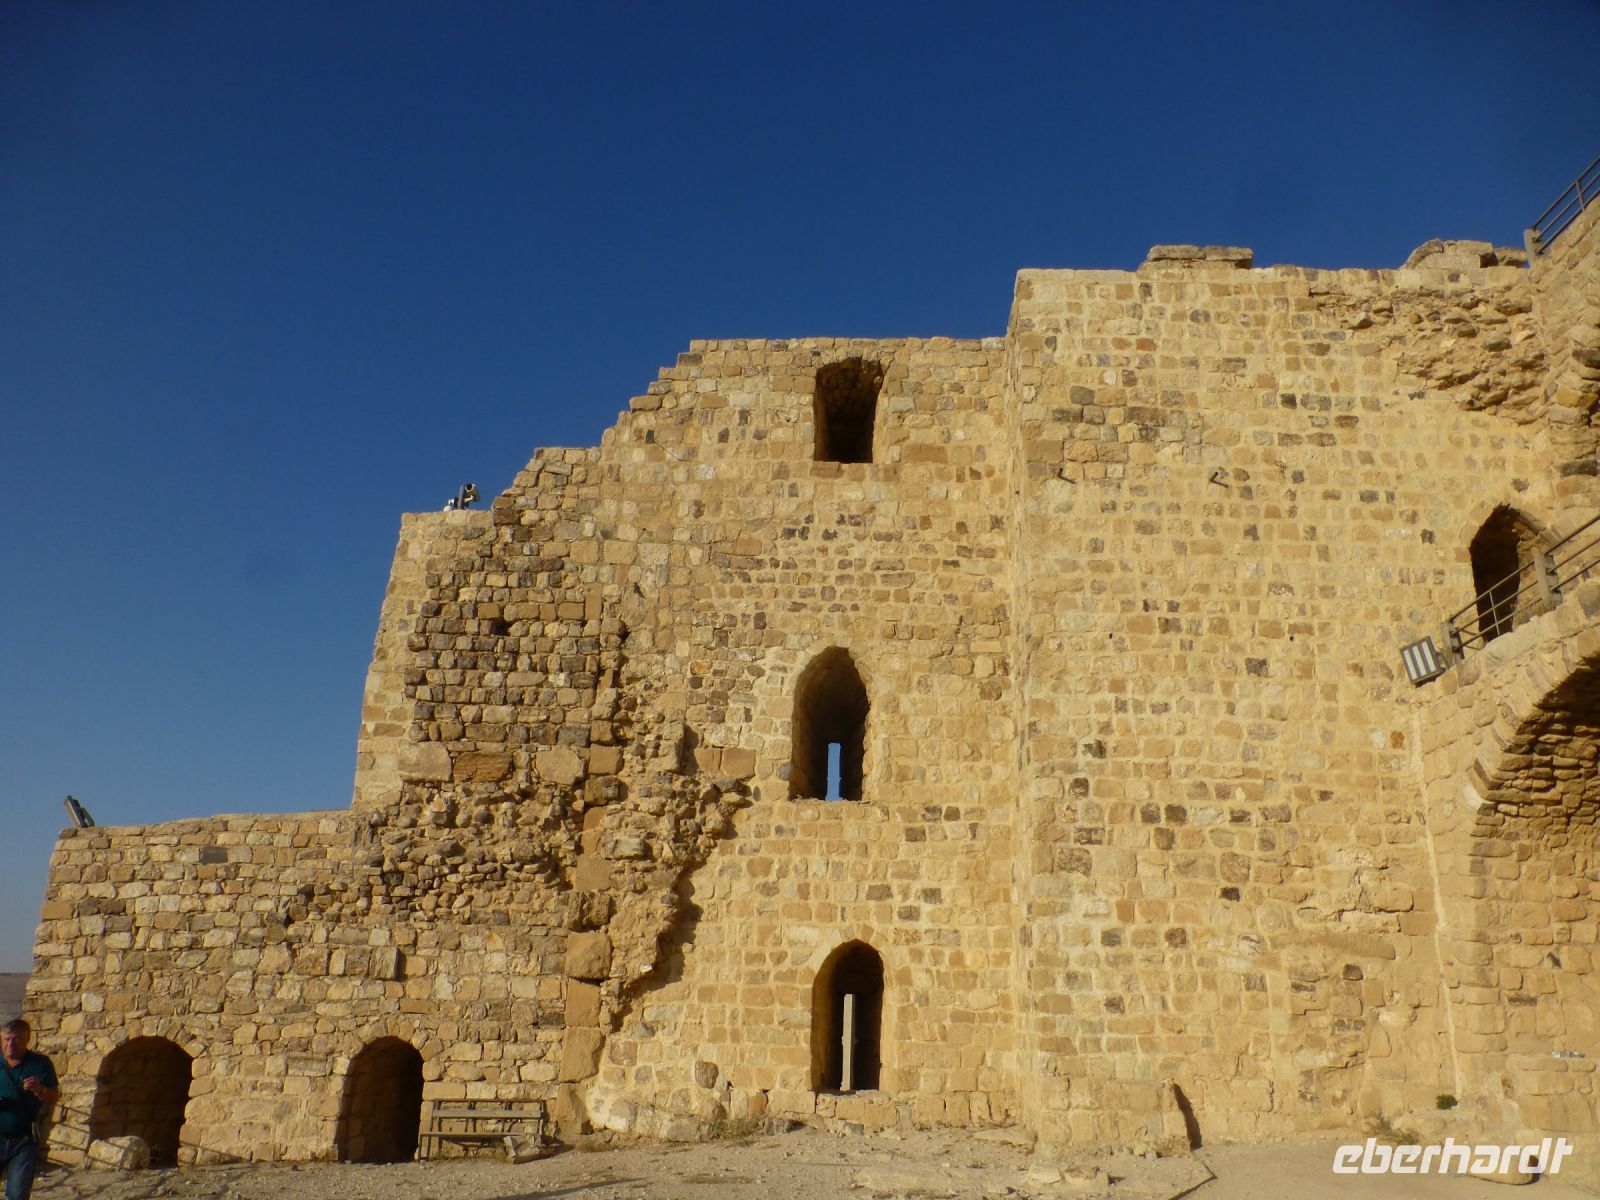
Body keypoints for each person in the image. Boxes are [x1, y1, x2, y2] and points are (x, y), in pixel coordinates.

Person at [0, 1020, 58, 1200]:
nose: (10, 1044)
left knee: (18, 1194)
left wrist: (40, 1090)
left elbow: (54, 1096)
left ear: (27, 1039)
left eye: (16, 1039)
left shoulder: (39, 1064)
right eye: (7, 1039)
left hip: (23, 1140)